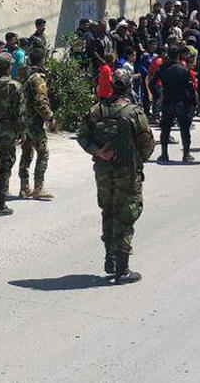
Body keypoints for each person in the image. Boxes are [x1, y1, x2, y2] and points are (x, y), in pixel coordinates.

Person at [77, 67, 154, 284]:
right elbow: (147, 143)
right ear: (129, 86)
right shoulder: (134, 112)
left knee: (108, 211)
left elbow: (82, 136)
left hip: (103, 171)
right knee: (126, 216)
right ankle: (122, 270)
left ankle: (110, 257)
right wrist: (138, 160)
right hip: (126, 171)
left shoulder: (97, 110)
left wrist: (98, 151)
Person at [0, 52, 25, 217]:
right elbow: (20, 112)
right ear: (9, 68)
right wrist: (22, 132)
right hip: (8, 133)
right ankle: (0, 205)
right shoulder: (15, 86)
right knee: (4, 167)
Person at [19, 48, 57, 200]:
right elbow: (40, 102)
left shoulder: (25, 74)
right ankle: (38, 187)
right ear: (42, 60)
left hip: (24, 120)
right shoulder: (37, 79)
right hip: (34, 122)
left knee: (26, 152)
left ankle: (24, 187)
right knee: (43, 152)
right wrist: (50, 118)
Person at [155, 47, 197, 162]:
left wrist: (157, 95)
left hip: (167, 101)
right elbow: (190, 88)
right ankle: (186, 154)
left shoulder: (163, 69)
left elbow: (152, 83)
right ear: (178, 56)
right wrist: (193, 102)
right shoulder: (183, 70)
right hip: (181, 102)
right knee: (184, 129)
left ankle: (164, 154)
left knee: (165, 129)